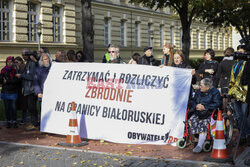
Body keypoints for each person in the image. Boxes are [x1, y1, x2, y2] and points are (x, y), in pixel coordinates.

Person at [188, 78, 221, 153]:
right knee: (191, 120)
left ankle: (199, 145)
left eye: (201, 86)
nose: (200, 87)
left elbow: (217, 104)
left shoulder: (215, 92)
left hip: (209, 113)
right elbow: (193, 101)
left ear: (208, 87)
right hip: (198, 112)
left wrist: (204, 107)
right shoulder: (198, 91)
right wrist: (196, 106)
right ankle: (197, 139)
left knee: (203, 123)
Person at [228, 45, 249, 144]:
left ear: (245, 53)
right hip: (236, 94)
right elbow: (232, 80)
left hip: (245, 94)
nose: (238, 53)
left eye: (240, 51)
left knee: (246, 116)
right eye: (237, 51)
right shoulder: (235, 64)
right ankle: (242, 135)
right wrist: (231, 94)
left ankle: (248, 135)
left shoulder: (247, 64)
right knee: (238, 116)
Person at [15, 48, 39, 131]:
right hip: (28, 89)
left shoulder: (31, 63)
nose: (23, 56)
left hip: (31, 89)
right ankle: (34, 122)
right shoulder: (28, 63)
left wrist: (21, 76)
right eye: (22, 54)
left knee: (32, 107)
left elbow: (31, 76)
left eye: (24, 54)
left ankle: (34, 124)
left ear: (28, 54)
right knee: (30, 107)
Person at [0, 57, 19, 128]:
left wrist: (7, 81)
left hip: (13, 92)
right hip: (5, 92)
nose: (10, 63)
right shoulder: (3, 70)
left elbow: (16, 80)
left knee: (14, 108)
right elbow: (1, 80)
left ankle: (14, 121)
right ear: (6, 62)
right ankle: (8, 121)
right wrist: (3, 79)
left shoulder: (15, 71)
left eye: (11, 62)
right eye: (8, 62)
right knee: (7, 108)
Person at [14, 57, 27, 124]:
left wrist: (18, 71)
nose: (16, 64)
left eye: (17, 62)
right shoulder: (16, 68)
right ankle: (15, 119)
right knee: (17, 104)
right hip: (18, 88)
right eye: (15, 62)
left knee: (23, 105)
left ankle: (24, 119)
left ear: (21, 61)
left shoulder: (24, 67)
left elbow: (23, 76)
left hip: (23, 87)